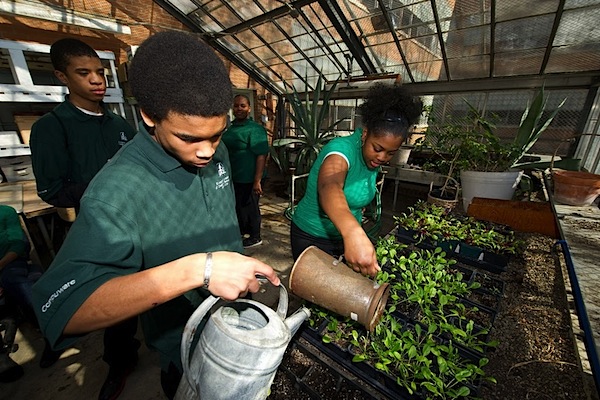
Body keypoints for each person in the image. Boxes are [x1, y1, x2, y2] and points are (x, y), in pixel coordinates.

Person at [32, 31, 280, 400]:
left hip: (236, 318)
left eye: (216, 135)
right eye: (189, 138)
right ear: (149, 116)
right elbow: (64, 310)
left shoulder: (217, 151)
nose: (207, 152)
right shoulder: (115, 191)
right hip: (185, 344)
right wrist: (200, 269)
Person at [29, 37, 139, 400]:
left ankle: (120, 361)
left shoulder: (120, 126)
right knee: (77, 298)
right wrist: (103, 190)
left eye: (100, 72)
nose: (97, 80)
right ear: (62, 76)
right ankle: (59, 339)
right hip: (82, 231)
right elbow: (51, 189)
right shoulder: (52, 127)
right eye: (84, 73)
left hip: (129, 232)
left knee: (125, 306)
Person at [290, 83, 423, 277]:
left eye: (390, 153)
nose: (382, 158)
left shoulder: (371, 159)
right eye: (377, 148)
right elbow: (330, 185)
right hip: (312, 238)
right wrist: (353, 233)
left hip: (342, 239)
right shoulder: (342, 150)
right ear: (365, 133)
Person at [221, 94, 269, 248]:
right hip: (235, 176)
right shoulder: (231, 127)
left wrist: (257, 180)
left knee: (251, 207)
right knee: (239, 206)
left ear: (249, 108)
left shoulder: (254, 129)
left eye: (242, 106)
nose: (239, 109)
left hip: (249, 177)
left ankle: (255, 236)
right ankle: (241, 232)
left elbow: (261, 155)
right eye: (236, 106)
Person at [0, 205, 43, 324]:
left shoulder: (6, 212)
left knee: (12, 278)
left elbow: (18, 245)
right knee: (34, 275)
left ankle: (43, 319)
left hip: (9, 262)